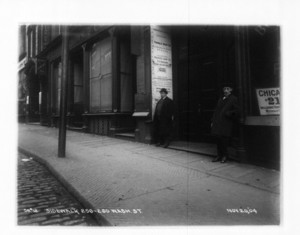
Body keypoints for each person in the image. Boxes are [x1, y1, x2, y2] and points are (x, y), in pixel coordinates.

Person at [211, 84, 239, 163]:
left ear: (231, 90)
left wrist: (229, 113)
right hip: (218, 122)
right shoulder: (221, 99)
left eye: (227, 89)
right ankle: (219, 155)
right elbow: (216, 111)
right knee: (218, 139)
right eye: (224, 89)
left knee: (224, 140)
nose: (226, 90)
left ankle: (225, 156)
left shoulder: (234, 99)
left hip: (226, 123)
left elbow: (237, 111)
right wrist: (213, 121)